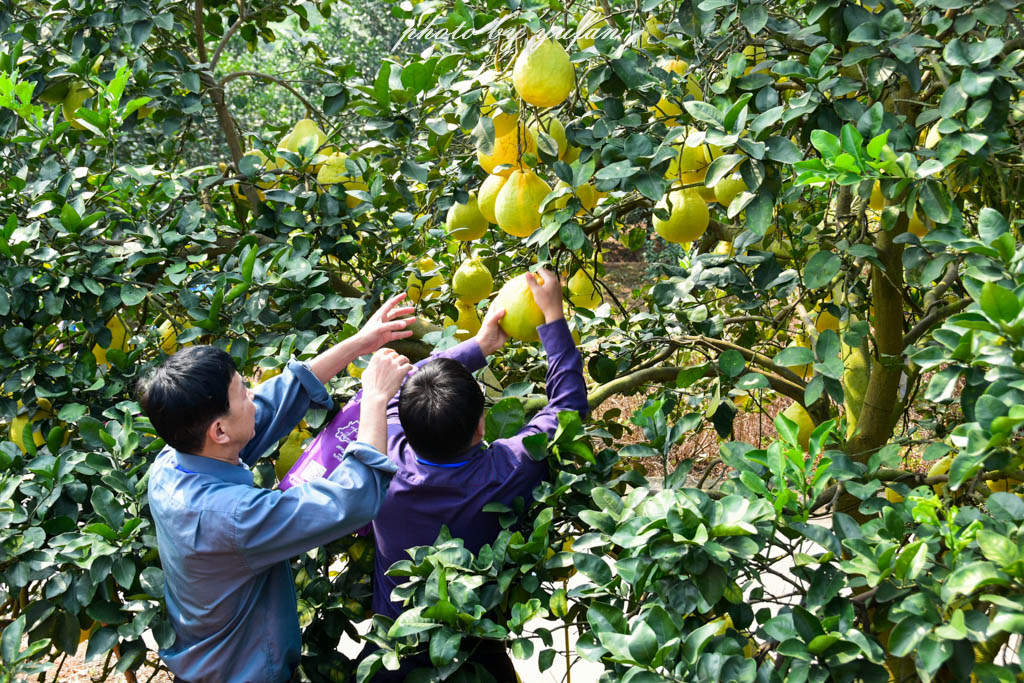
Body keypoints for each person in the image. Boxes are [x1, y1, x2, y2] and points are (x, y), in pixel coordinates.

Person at [137, 295, 416, 683]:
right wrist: (376, 398)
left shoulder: (172, 462)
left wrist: (362, 341)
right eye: (243, 393)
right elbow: (354, 500)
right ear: (218, 431)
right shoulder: (233, 517)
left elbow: (280, 397)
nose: (254, 395)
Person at [363, 269, 589, 680]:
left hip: (394, 658)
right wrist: (553, 318)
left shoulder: (382, 465)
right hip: (474, 659)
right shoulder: (508, 471)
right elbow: (568, 407)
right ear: (481, 427)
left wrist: (479, 344)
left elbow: (407, 383)